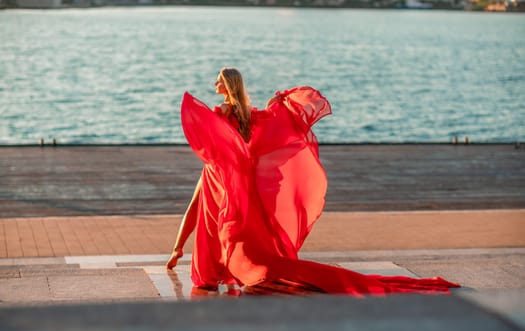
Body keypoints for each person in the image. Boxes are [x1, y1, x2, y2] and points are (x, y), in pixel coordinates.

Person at [166, 67, 459, 296]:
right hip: (233, 178)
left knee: (207, 216)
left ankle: (184, 252)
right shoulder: (248, 115)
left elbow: (210, 131)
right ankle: (181, 250)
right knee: (212, 217)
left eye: (218, 80)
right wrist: (279, 105)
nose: (214, 84)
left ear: (227, 86)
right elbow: (270, 124)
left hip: (223, 175)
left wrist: (196, 113)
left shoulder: (224, 112)